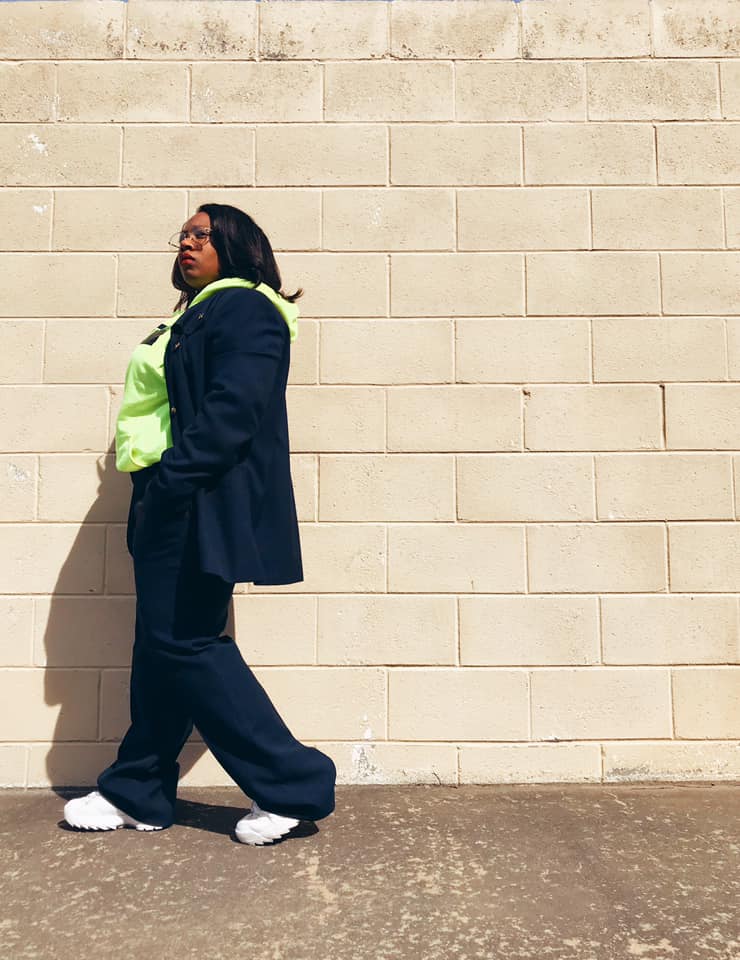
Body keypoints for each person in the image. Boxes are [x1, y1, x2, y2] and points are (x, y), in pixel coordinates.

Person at [62, 203, 337, 845]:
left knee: (186, 644)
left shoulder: (245, 305)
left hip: (191, 500)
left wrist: (170, 487)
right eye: (182, 234)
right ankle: (139, 790)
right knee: (160, 650)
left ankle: (293, 784)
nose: (187, 243)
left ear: (236, 246)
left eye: (202, 234)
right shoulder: (194, 312)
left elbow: (232, 412)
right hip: (168, 496)